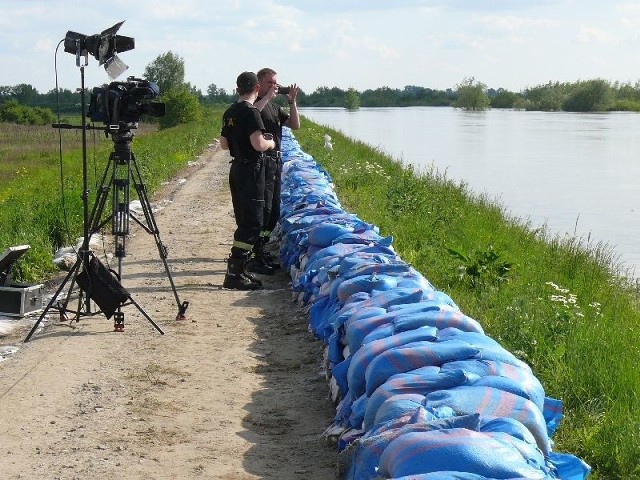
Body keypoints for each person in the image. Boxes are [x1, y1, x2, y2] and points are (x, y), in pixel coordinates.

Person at [219, 71, 276, 290]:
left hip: (237, 168)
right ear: (257, 89)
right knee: (253, 221)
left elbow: (224, 144)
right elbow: (258, 144)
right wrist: (270, 143)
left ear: (237, 89)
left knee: (245, 219)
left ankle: (239, 269)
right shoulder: (251, 112)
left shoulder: (230, 111)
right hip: (252, 169)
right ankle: (234, 274)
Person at [247, 67, 300, 275]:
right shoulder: (252, 106)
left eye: (275, 83)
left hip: (275, 163)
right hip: (260, 164)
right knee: (263, 209)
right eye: (270, 83)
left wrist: (292, 101)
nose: (274, 86)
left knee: (274, 211)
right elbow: (251, 116)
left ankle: (261, 248)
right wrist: (267, 97)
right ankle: (254, 255)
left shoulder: (275, 108)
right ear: (259, 85)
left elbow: (295, 125)